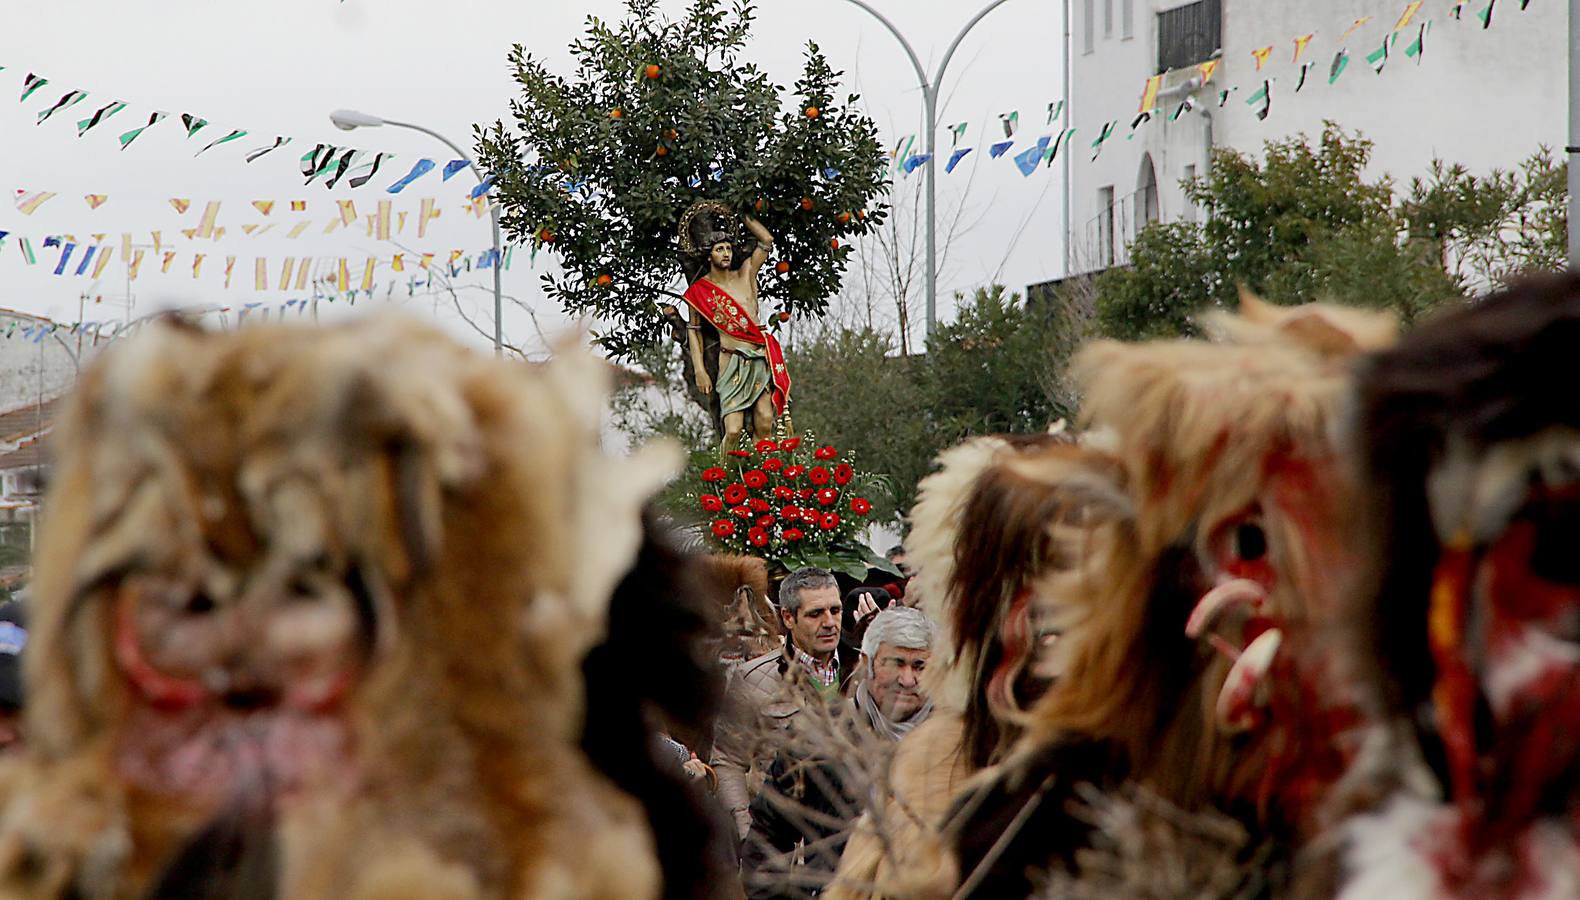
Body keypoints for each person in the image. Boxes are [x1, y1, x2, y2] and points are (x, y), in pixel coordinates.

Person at [711, 567, 855, 840]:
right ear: (788, 617)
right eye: (815, 614)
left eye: (835, 610)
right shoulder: (752, 679)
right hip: (786, 845)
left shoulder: (863, 670)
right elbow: (728, 762)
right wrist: (749, 833)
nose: (829, 622)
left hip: (856, 842)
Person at [680, 205, 791, 456]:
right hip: (730, 362)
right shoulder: (699, 292)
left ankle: (764, 474)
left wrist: (742, 212)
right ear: (709, 255)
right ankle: (726, 476)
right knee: (732, 430)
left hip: (759, 358)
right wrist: (699, 369)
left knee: (765, 422)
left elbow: (766, 240)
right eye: (719, 249)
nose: (726, 253)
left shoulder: (746, 274)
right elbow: (694, 330)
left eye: (728, 248)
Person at [850, 607, 934, 742]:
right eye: (895, 664)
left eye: (920, 667)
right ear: (866, 664)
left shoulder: (959, 736)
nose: (907, 681)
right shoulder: (827, 732)